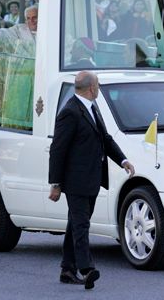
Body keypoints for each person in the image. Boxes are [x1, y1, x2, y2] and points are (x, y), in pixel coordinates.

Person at [48, 71, 135, 289]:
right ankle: (86, 268)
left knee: (75, 224)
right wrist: (56, 183)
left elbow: (104, 138)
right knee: (81, 224)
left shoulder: (91, 107)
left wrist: (123, 160)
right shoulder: (69, 112)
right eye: (97, 84)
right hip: (76, 181)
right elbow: (57, 149)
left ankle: (67, 269)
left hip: (92, 179)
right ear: (91, 88)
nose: (98, 88)